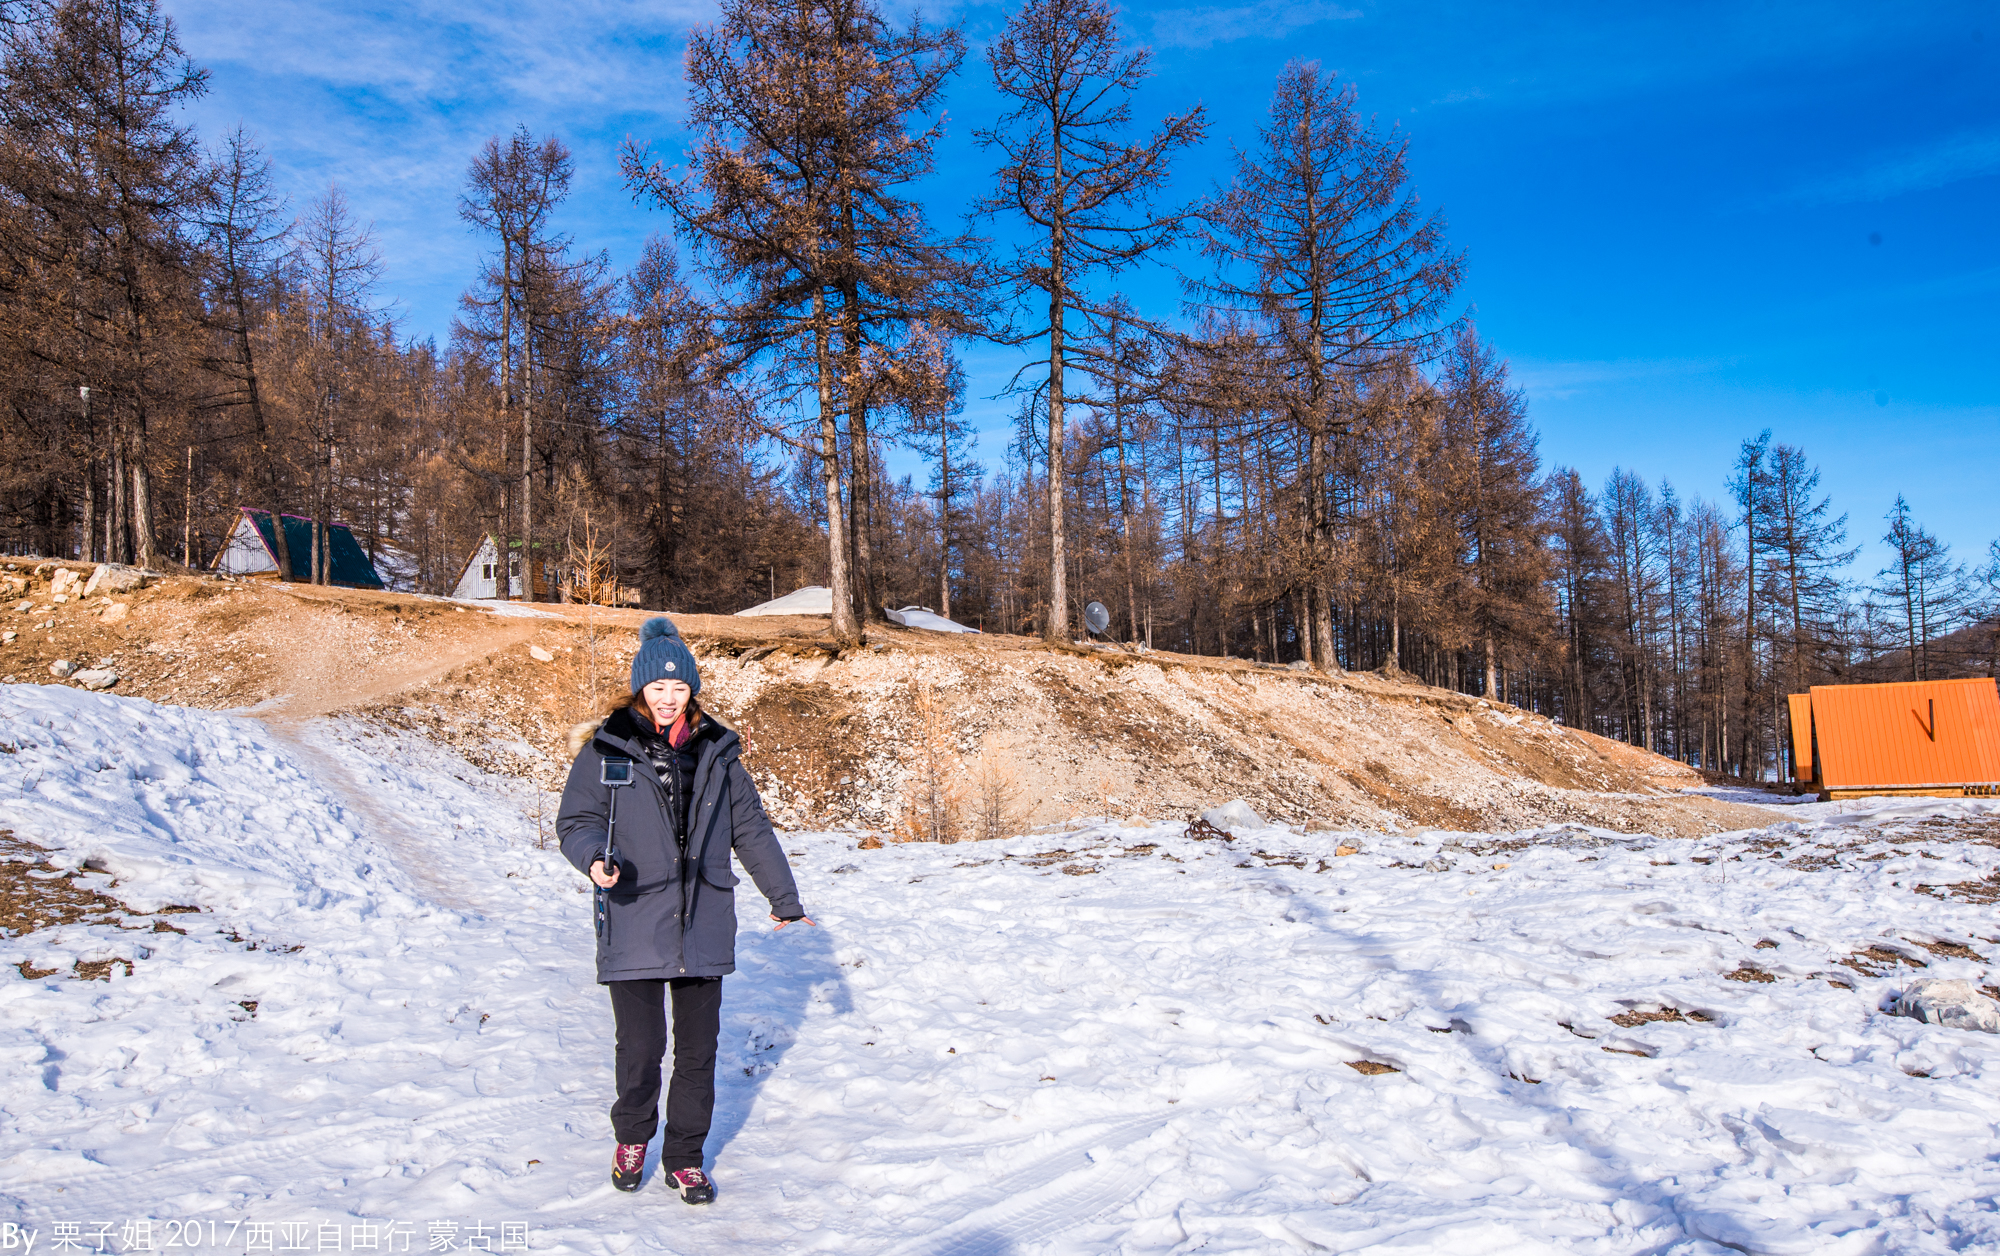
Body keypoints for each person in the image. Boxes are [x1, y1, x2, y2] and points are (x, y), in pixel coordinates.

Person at [558, 616, 812, 1203]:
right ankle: (632, 1138)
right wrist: (595, 859)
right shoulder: (607, 747)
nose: (669, 699)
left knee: (698, 1051)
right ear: (640, 689)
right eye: (657, 688)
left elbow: (751, 829)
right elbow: (576, 821)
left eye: (679, 688)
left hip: (704, 919)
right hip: (633, 914)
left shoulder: (719, 754)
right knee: (641, 1048)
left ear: (691, 689)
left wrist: (785, 901)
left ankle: (686, 1157)